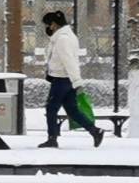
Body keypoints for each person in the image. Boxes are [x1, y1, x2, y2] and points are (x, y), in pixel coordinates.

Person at [39, 9, 104, 148]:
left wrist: (77, 82)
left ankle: (52, 139)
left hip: (62, 80)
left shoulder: (62, 39)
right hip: (66, 79)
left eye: (48, 24)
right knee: (72, 110)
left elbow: (69, 61)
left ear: (54, 24)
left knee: (51, 109)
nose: (47, 28)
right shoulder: (65, 37)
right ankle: (95, 131)